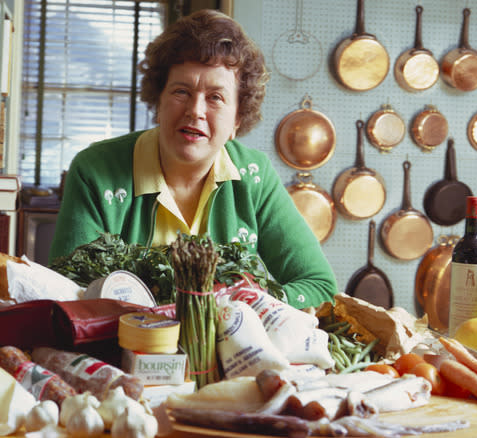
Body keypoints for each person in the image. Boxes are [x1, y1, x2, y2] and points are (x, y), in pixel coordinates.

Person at [49, 9, 337, 309]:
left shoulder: (255, 176)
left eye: (215, 97)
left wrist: (252, 303)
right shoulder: (95, 170)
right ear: (158, 102)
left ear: (238, 118)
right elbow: (68, 290)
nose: (195, 110)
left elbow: (320, 286)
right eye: (181, 91)